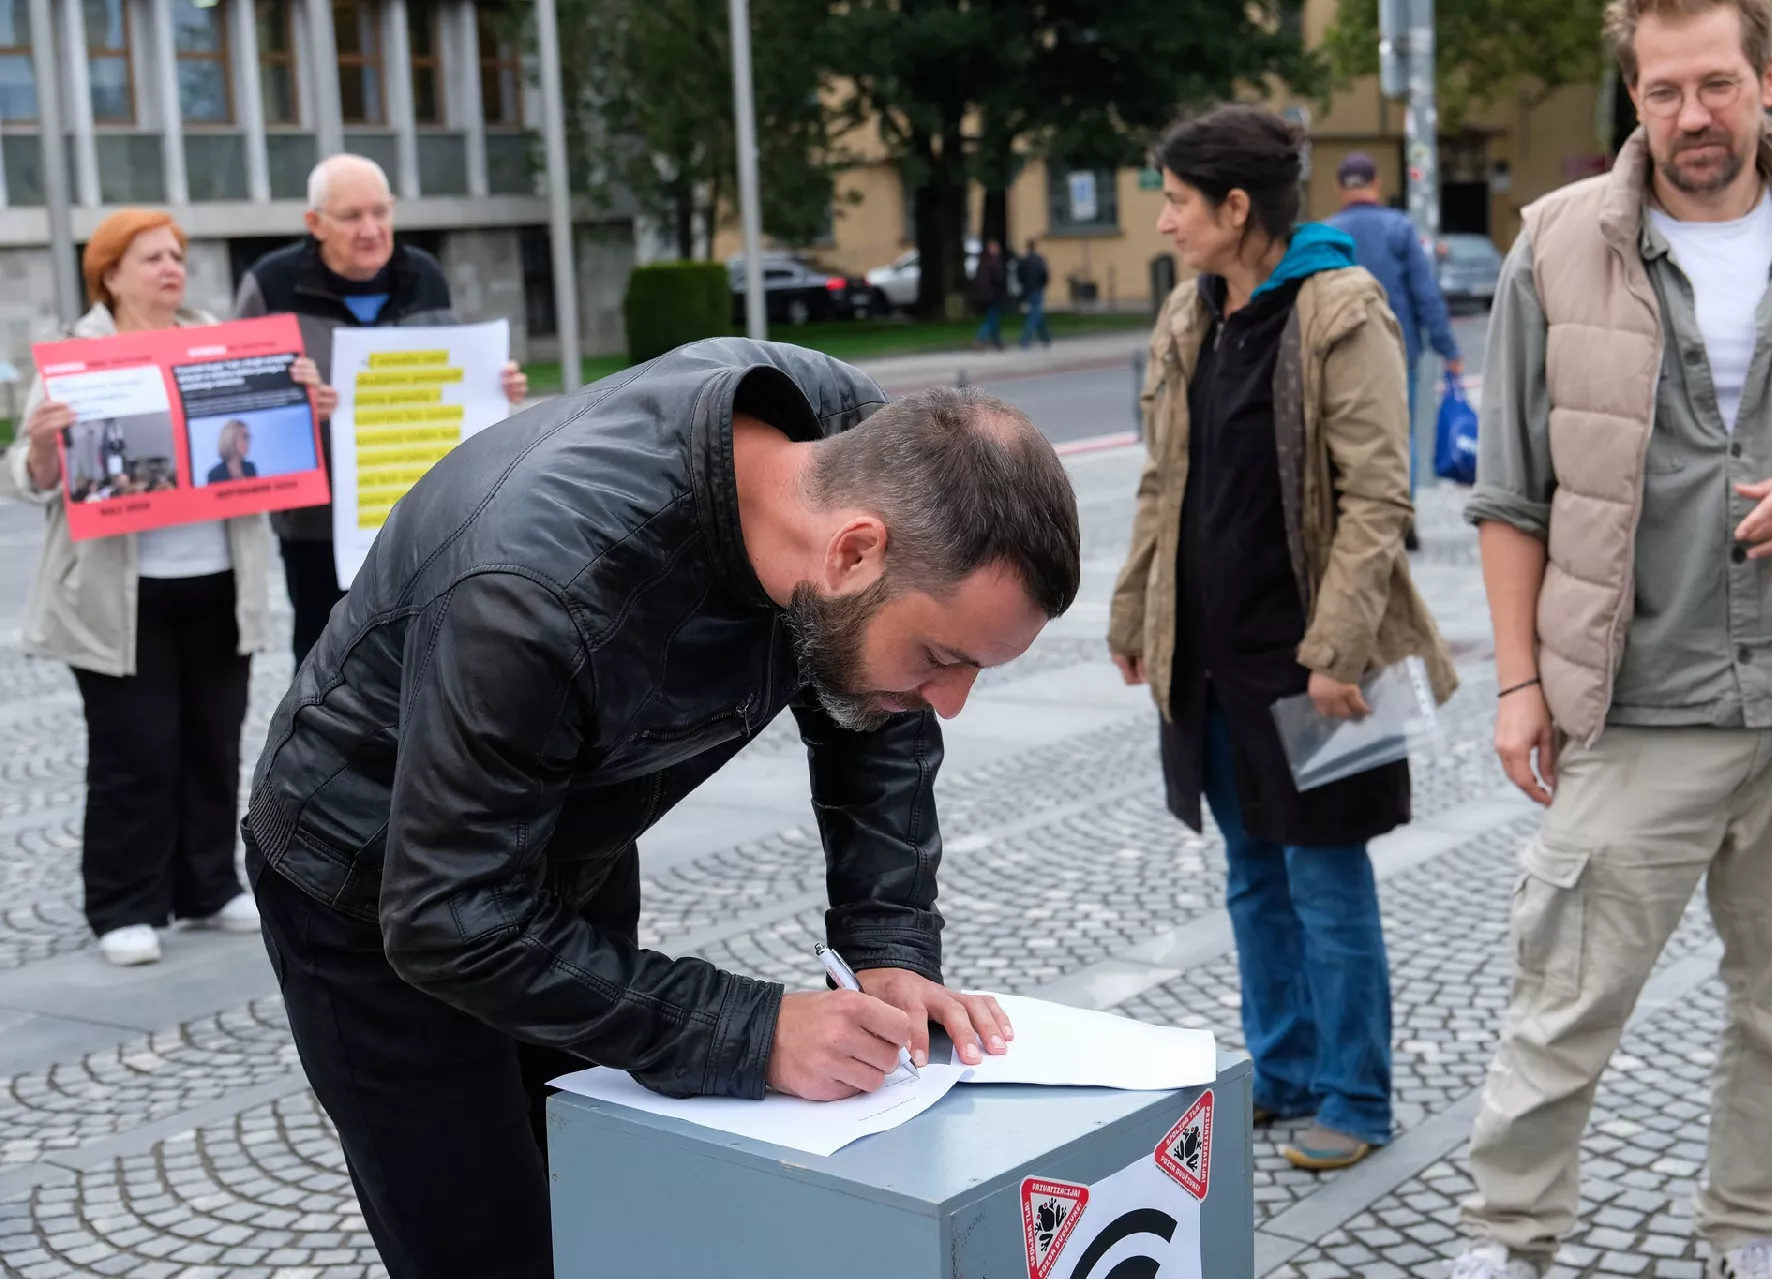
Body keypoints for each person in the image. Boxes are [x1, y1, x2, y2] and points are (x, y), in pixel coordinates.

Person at [243, 341, 1082, 1276]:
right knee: (492, 1245)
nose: (952, 702)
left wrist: (887, 944)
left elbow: (877, 721)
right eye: (942, 657)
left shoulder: (860, 448)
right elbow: (449, 916)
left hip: (564, 838)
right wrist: (755, 1032)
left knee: (606, 1206)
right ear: (853, 550)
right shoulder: (538, 591)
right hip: (366, 886)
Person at [1453, 0, 1772, 1275]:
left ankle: (1747, 1235)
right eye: (1663, 91)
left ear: (1770, 76)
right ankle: (1509, 1240)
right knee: (1564, 1004)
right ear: (1633, 96)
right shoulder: (1556, 244)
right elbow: (1512, 491)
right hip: (1636, 696)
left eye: (1717, 83)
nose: (1692, 116)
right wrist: (1518, 684)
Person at [1109, 105, 1458, 1173]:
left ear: (1236, 207)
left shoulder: (1341, 308)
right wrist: (1135, 611)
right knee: (1253, 876)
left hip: (1310, 658)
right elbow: (1164, 481)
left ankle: (1354, 1094)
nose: (1164, 221)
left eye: (1177, 201)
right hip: (1211, 656)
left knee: (1325, 879)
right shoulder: (1190, 313)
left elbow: (1377, 497)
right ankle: (1288, 1071)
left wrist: (1338, 650)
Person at [3, 210, 334, 968]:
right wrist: (46, 449)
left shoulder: (223, 346)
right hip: (118, 599)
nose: (171, 268)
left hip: (217, 582)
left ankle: (209, 886)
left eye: (177, 255)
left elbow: (272, 456)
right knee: (137, 752)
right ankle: (123, 903)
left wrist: (303, 411)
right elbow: (27, 476)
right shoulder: (76, 357)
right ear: (110, 273)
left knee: (213, 742)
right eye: (152, 257)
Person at [232, 154, 529, 667]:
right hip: (318, 527)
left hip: (423, 513)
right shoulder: (270, 284)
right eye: (351, 216)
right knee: (326, 662)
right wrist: (296, 406)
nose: (370, 229)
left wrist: (493, 386)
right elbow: (240, 400)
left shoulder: (425, 274)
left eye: (380, 212)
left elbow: (448, 374)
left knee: (428, 654)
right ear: (314, 223)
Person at [1324, 151, 1464, 548]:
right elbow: (1425, 293)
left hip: (1342, 351)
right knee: (1401, 435)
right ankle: (1403, 520)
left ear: (1339, 188)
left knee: (1347, 436)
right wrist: (1448, 348)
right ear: (1377, 183)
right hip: (1399, 349)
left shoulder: (1327, 234)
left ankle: (1355, 521)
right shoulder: (1400, 229)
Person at [971, 237, 1010, 350]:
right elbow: (998, 279)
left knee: (993, 318)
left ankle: (997, 341)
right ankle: (980, 339)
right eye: (995, 247)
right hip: (993, 294)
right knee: (992, 319)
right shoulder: (994, 262)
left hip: (985, 295)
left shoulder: (983, 261)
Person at [1018, 239, 1053, 349]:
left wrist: (1023, 287)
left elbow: (1020, 276)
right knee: (1035, 314)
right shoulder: (1039, 260)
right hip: (1038, 289)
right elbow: (1045, 274)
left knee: (1037, 313)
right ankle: (1025, 340)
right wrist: (1043, 284)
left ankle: (1045, 338)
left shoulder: (1024, 261)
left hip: (1028, 290)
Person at [205, 420, 257, 484]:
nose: (248, 441)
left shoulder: (250, 468)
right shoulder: (215, 475)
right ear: (231, 440)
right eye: (244, 437)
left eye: (248, 437)